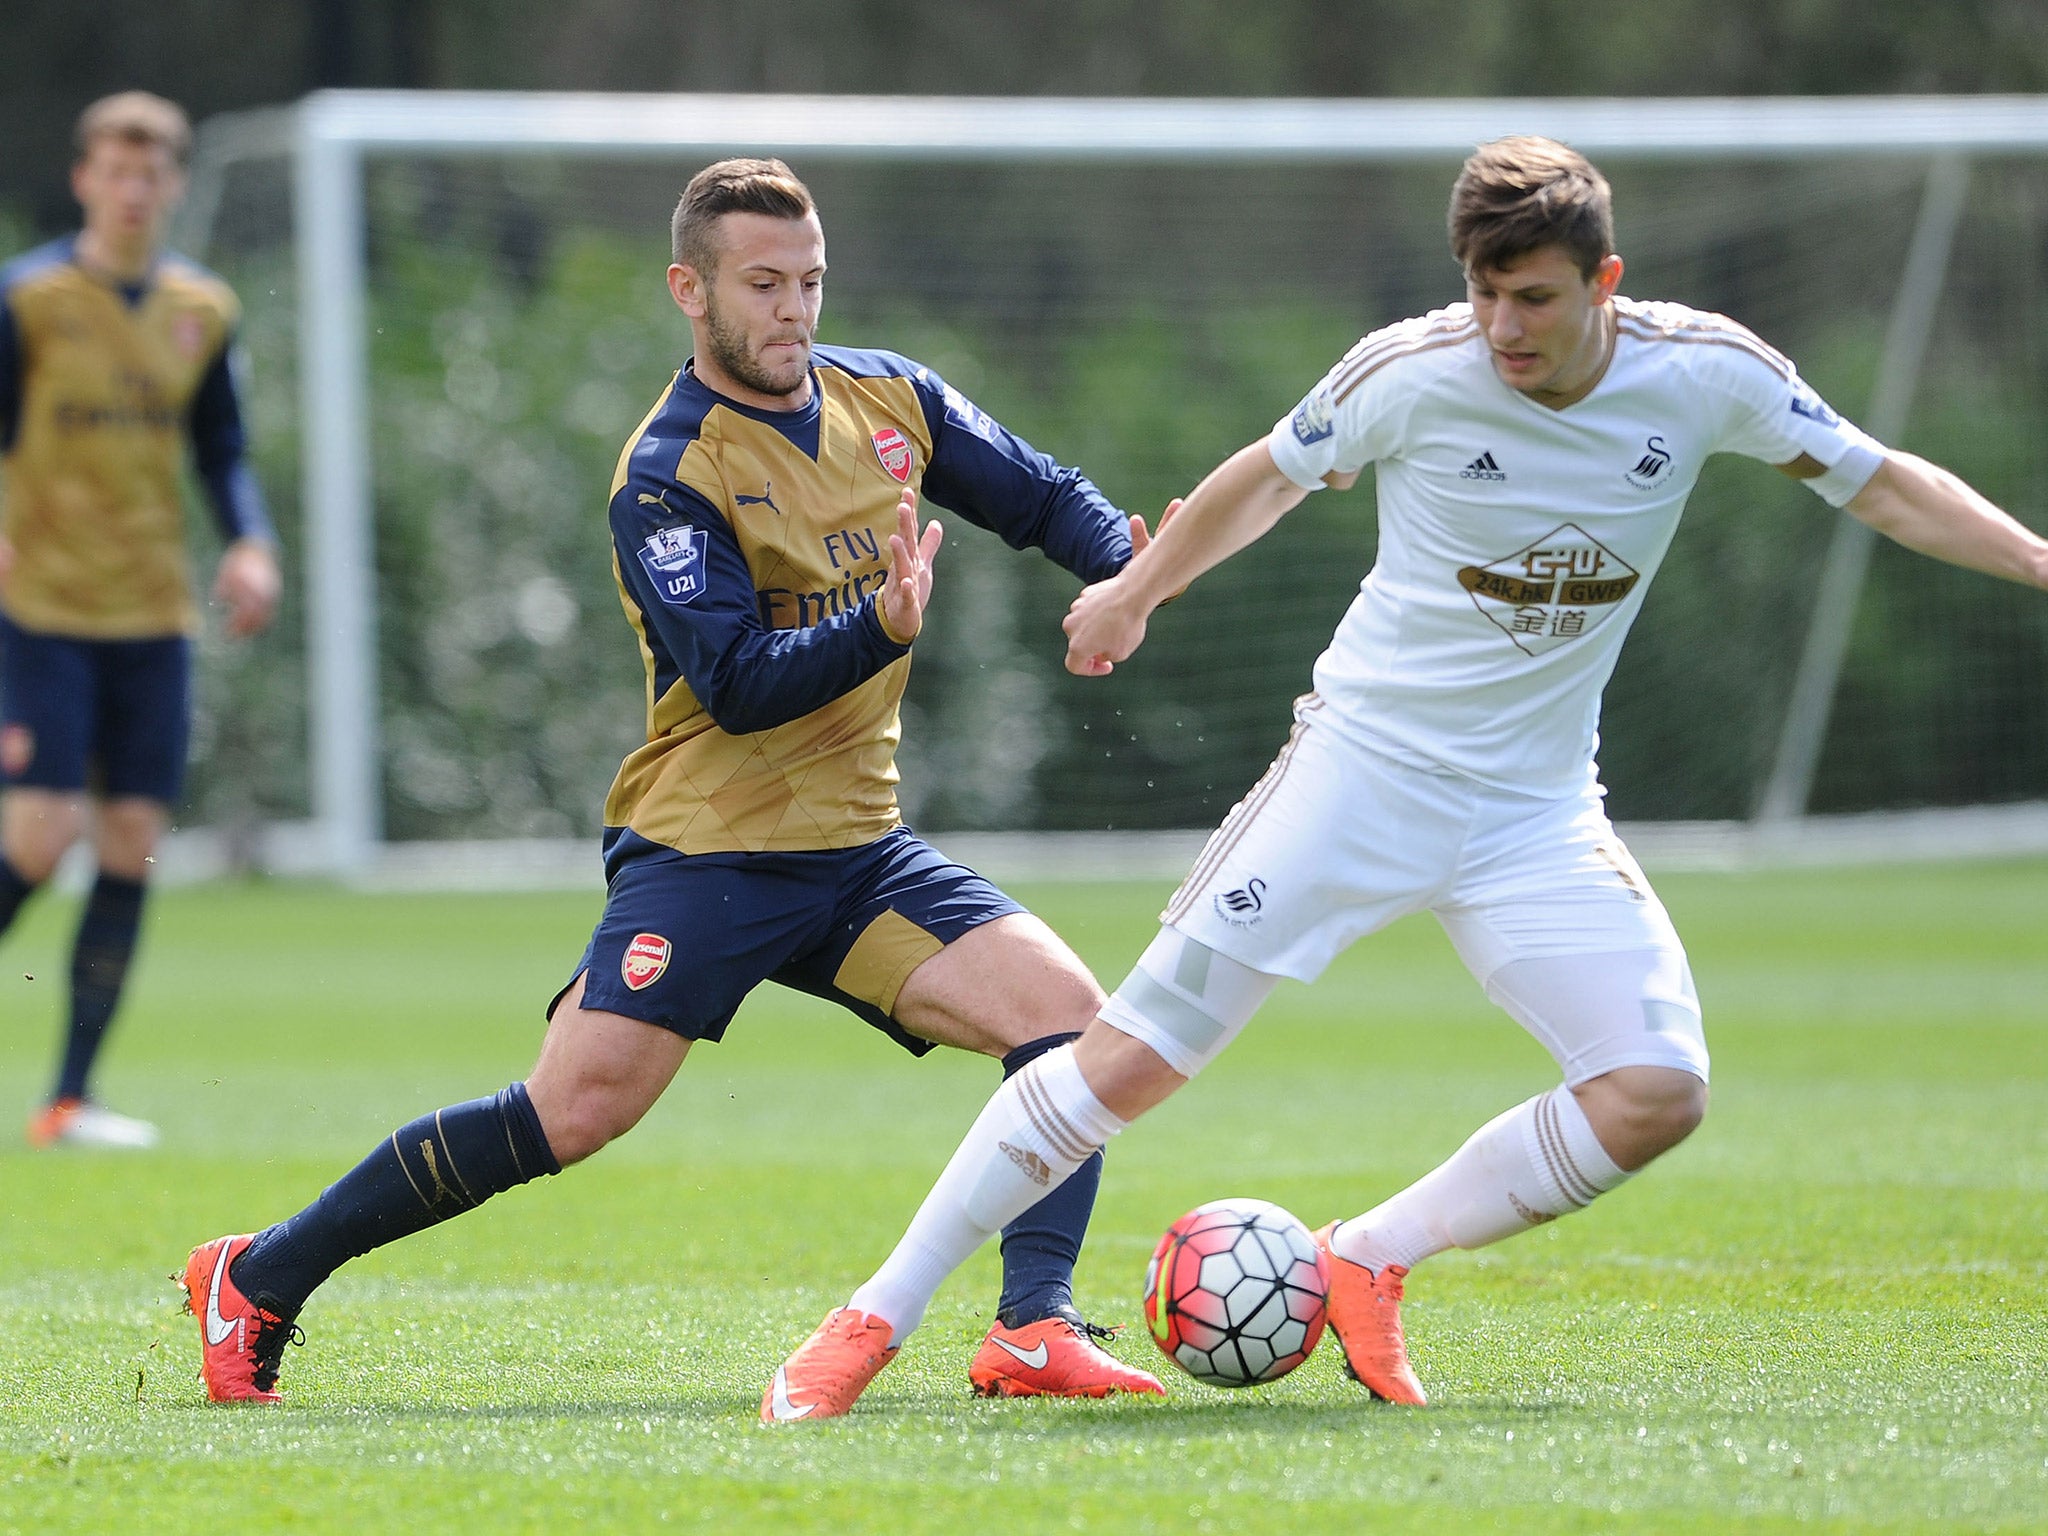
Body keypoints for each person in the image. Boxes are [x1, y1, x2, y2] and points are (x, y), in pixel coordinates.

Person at [771, 134, 2048, 1418]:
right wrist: (1131, 592)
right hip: (1356, 780)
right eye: (1483, 291)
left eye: (1533, 296)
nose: (1501, 323)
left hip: (1536, 816)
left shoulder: (1703, 374)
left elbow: (1886, 487)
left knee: (1655, 1090)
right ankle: (871, 1319)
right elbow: (1259, 483)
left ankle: (1368, 1256)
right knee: (1125, 1064)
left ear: (1605, 279)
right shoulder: (1412, 372)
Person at [182, 158, 1169, 1412]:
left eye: (808, 280)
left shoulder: (891, 397)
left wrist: (1120, 573)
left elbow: (1042, 495)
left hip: (858, 852)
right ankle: (258, 1278)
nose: (793, 310)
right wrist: (879, 628)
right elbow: (739, 682)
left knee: (1071, 1033)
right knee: (571, 1113)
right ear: (688, 291)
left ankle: (1031, 1328)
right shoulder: (666, 470)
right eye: (762, 285)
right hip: (709, 850)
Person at [0, 92, 281, 1150]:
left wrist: (249, 541)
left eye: (151, 173)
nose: (132, 190)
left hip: (151, 618)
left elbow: (222, 448)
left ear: (172, 186)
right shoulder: (26, 300)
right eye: (115, 170)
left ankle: (68, 1100)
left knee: (130, 841)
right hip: (40, 608)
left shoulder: (200, 308)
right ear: (83, 179)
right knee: (38, 837)